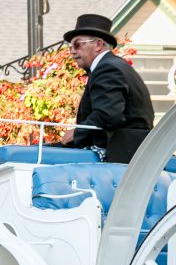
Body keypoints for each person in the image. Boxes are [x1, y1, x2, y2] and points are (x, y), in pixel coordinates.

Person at [59, 14, 154, 163]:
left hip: (119, 155)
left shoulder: (107, 68)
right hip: (133, 153)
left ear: (98, 45)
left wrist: (77, 133)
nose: (71, 51)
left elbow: (108, 114)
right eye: (70, 46)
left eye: (77, 44)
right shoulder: (117, 65)